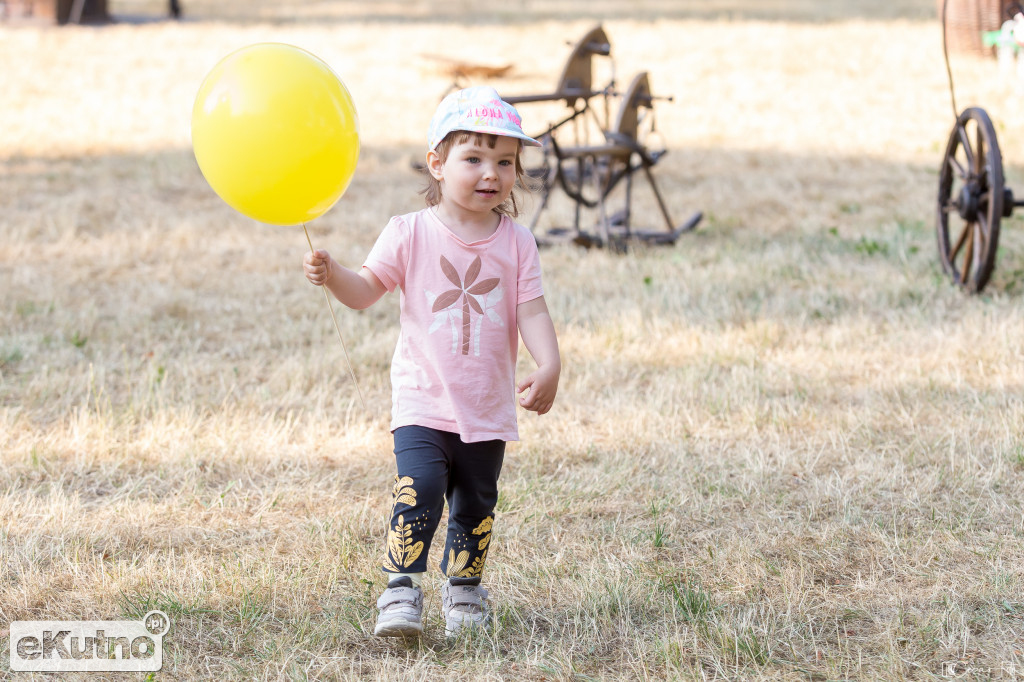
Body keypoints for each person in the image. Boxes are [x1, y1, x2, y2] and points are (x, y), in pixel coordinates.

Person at [303, 86, 561, 638]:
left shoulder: (517, 242)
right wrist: (334, 274)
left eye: (505, 161)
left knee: (476, 500)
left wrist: (550, 363)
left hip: (486, 405)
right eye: (474, 158)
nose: (491, 172)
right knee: (417, 487)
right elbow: (366, 289)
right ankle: (399, 590)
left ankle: (465, 590)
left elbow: (531, 310)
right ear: (437, 164)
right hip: (422, 399)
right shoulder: (409, 232)